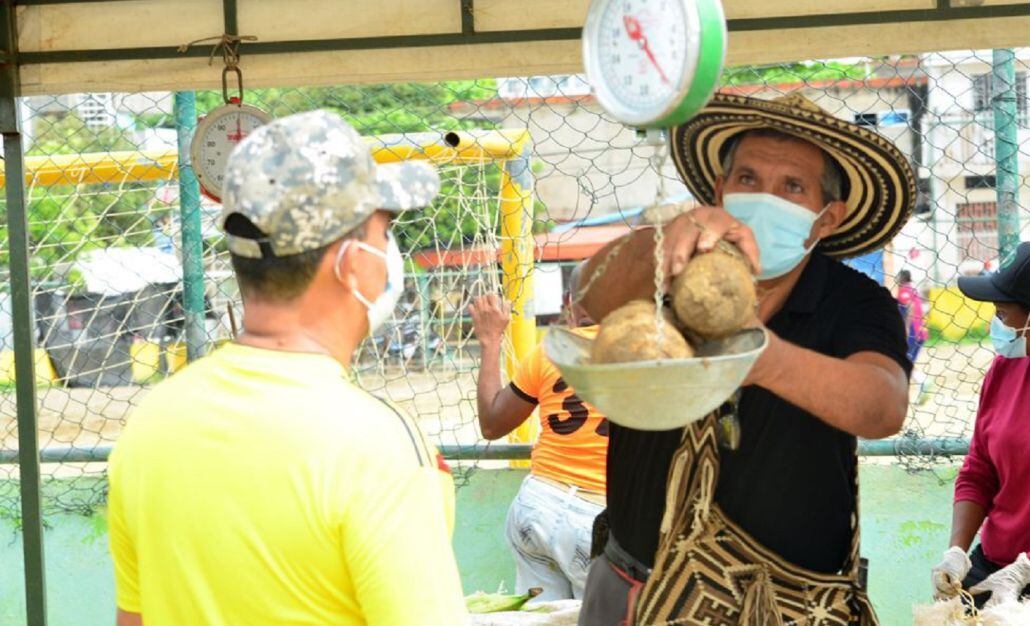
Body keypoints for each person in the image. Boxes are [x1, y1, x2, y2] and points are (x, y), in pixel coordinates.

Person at [107, 111, 469, 626]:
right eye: (383, 230)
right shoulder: (380, 447)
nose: (391, 250)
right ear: (350, 263)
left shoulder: (150, 424)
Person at [576, 92, 916, 624]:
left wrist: (762, 357)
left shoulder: (854, 301)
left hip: (785, 602)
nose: (764, 198)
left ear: (827, 219)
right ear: (719, 190)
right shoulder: (668, 265)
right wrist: (662, 239)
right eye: (749, 179)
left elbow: (884, 405)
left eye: (793, 187)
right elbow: (588, 293)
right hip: (631, 586)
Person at [930, 241, 1030, 625]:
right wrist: (957, 552)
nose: (994, 324)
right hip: (995, 569)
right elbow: (979, 467)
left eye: (1001, 313)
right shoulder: (1004, 372)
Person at [467, 264, 609, 601]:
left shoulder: (548, 352)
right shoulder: (643, 354)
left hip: (537, 506)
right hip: (598, 516)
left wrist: (490, 341)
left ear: (569, 304)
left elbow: (492, 424)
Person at [896, 269, 931, 401]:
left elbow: (909, 308)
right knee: (907, 360)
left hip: (913, 331)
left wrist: (905, 327)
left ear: (902, 278)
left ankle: (922, 382)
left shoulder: (905, 290)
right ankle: (919, 384)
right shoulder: (913, 289)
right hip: (920, 330)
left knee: (905, 360)